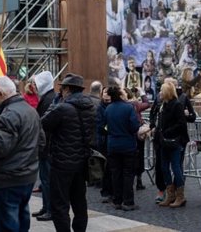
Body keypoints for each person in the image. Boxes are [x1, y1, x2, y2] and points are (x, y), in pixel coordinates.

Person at [0, 76, 40, 232]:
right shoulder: (30, 110)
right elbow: (41, 141)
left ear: (0, 93)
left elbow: (0, 146)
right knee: (22, 219)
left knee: (8, 224)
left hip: (8, 178)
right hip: (27, 175)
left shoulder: (9, 114)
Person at [41, 74, 96, 231]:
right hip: (82, 161)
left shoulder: (62, 108)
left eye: (62, 88)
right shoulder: (90, 106)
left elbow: (43, 123)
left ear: (67, 89)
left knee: (60, 204)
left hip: (61, 163)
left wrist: (55, 103)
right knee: (79, 202)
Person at [103, 85, 140, 211]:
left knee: (116, 173)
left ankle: (117, 200)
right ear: (119, 95)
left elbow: (103, 126)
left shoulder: (108, 109)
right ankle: (128, 201)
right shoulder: (128, 108)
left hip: (112, 145)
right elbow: (134, 126)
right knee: (128, 174)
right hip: (127, 145)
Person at [156, 81, 188, 208]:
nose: (159, 93)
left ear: (167, 92)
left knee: (176, 167)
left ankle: (180, 196)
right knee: (164, 167)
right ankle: (170, 195)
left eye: (162, 90)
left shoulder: (177, 105)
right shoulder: (163, 105)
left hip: (175, 141)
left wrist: (167, 131)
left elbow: (181, 124)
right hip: (164, 141)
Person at [33, 71, 56, 221]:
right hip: (45, 146)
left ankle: (50, 209)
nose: (34, 87)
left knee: (47, 180)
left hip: (47, 147)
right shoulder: (47, 97)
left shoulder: (49, 99)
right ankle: (46, 207)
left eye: (36, 84)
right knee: (44, 179)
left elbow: (45, 124)